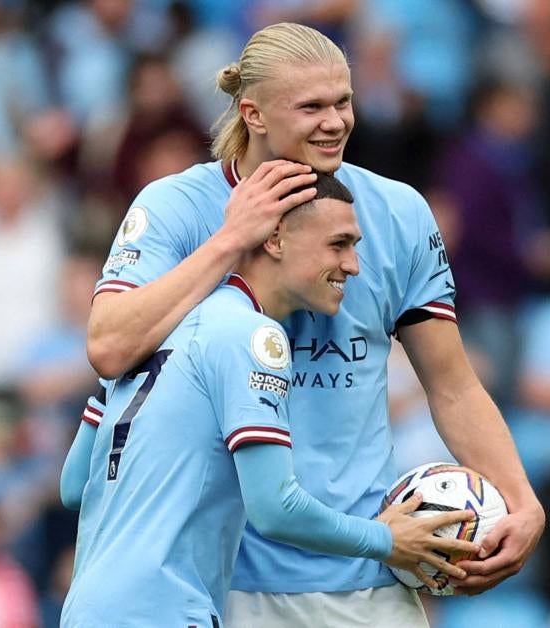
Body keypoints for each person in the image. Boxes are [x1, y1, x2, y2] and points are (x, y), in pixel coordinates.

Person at [85, 22, 544, 626]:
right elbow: (109, 346)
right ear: (253, 113)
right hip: (224, 583)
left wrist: (521, 499)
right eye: (312, 106)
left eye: (344, 101)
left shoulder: (397, 213)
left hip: (369, 575)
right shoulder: (176, 206)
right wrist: (230, 241)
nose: (335, 122)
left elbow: (451, 384)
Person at [60, 174, 479, 626]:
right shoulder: (254, 336)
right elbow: (275, 508)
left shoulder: (161, 328)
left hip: (90, 607)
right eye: (338, 245)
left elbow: (74, 484)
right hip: (167, 611)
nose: (353, 265)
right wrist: (385, 539)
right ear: (275, 240)